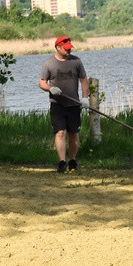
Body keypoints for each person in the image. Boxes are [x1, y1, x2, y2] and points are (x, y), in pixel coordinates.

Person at [39, 36, 89, 173]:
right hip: (57, 105)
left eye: (69, 49)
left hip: (74, 104)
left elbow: (84, 79)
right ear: (58, 48)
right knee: (60, 133)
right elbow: (42, 82)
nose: (68, 51)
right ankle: (62, 162)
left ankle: (72, 160)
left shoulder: (76, 61)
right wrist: (50, 88)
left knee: (74, 133)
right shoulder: (49, 64)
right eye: (66, 49)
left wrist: (85, 98)